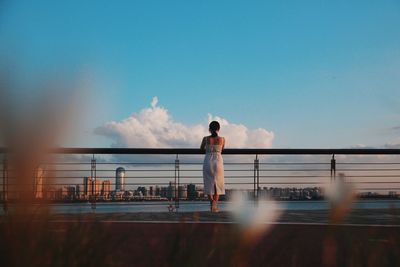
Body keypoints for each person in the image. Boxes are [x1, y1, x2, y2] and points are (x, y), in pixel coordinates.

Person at [200, 121, 225, 213]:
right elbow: (222, 149)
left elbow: (201, 149)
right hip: (218, 162)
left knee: (208, 183)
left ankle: (212, 204)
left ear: (209, 129)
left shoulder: (205, 139)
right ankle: (215, 206)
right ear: (218, 129)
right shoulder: (222, 139)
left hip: (208, 161)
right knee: (217, 185)